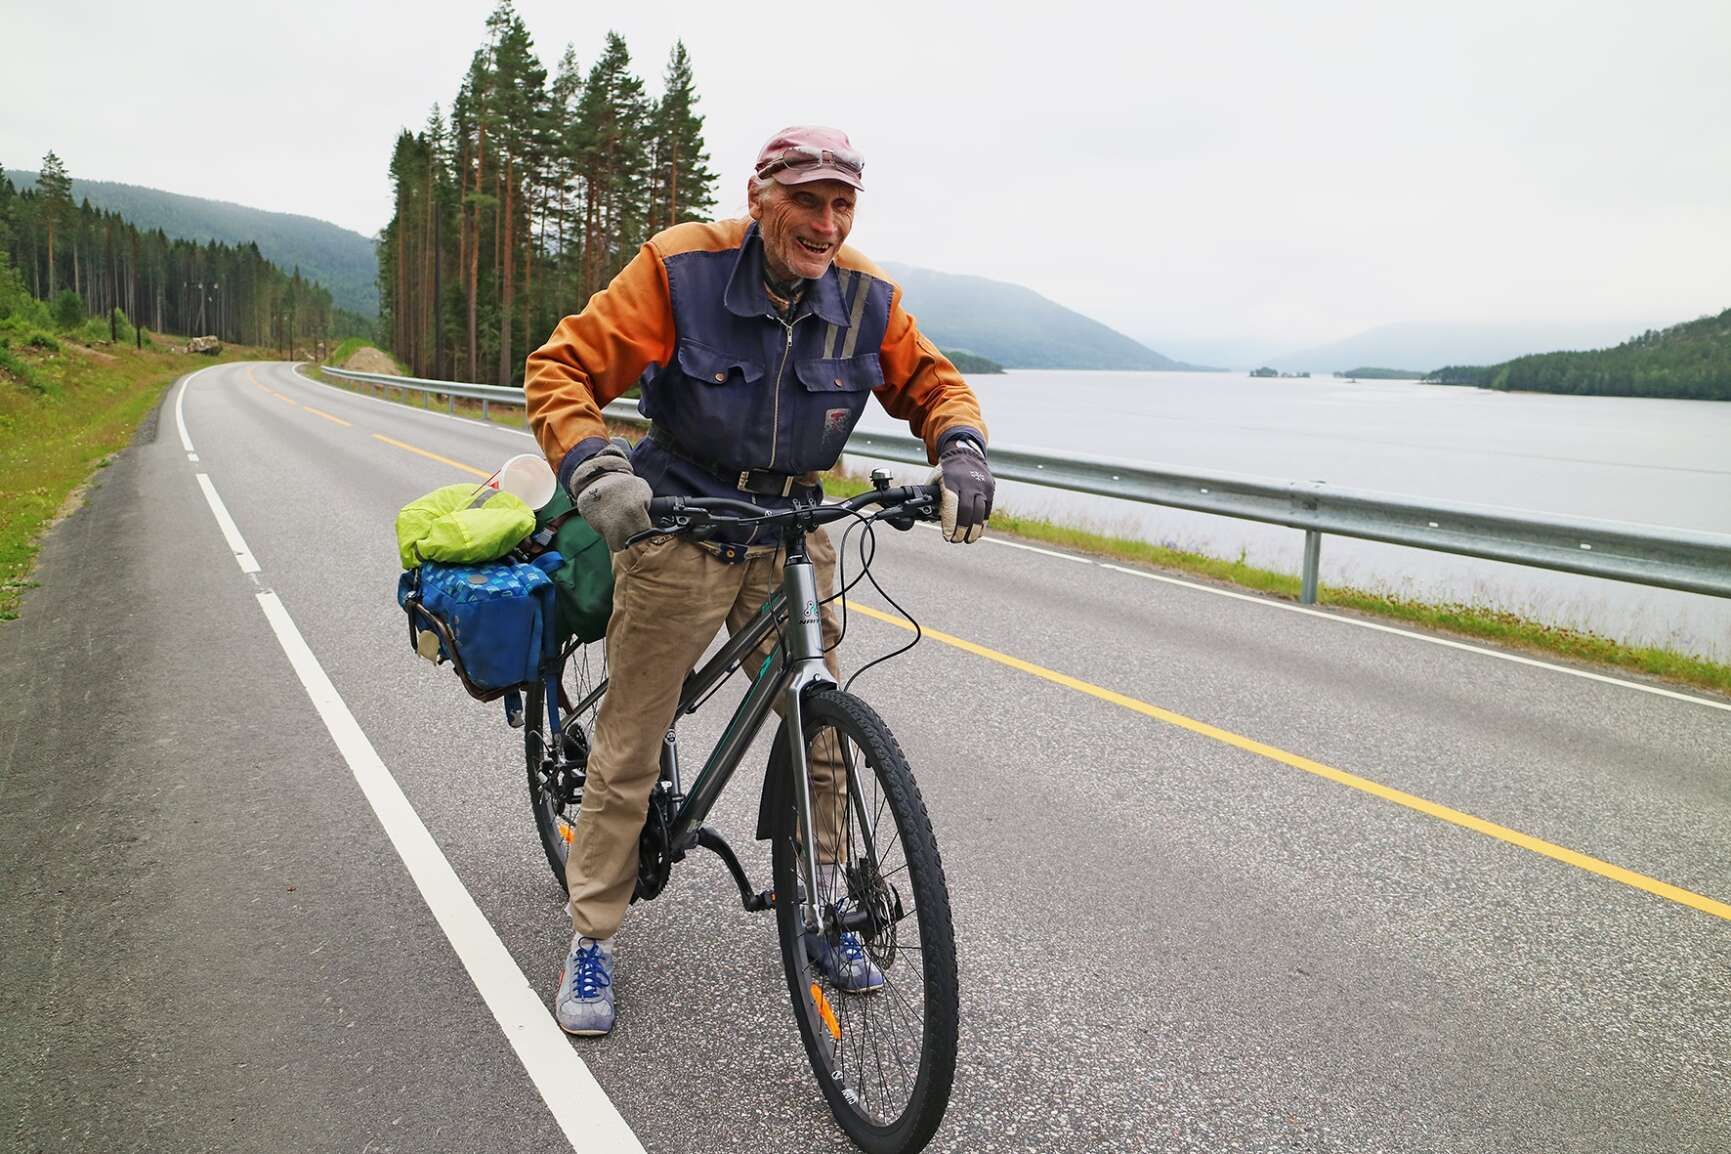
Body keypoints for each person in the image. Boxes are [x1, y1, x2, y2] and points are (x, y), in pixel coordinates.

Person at [523, 126, 995, 1037]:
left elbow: (934, 385)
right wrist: (593, 467)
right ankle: (592, 934)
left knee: (820, 730)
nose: (826, 223)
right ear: (759, 198)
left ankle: (826, 907)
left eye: (841, 205)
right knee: (633, 737)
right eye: (807, 201)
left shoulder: (865, 296)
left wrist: (961, 447)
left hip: (791, 529)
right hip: (680, 522)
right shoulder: (681, 269)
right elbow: (562, 368)